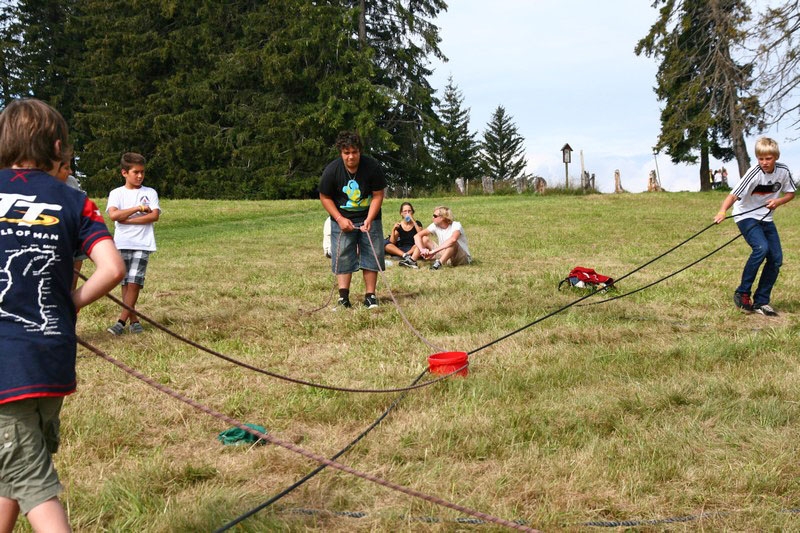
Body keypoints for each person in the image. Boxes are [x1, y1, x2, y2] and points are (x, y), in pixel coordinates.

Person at [0, 98, 125, 533]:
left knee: (33, 482)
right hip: (51, 360)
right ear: (57, 146)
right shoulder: (73, 200)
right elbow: (112, 268)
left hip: (4, 367)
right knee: (16, 467)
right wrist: (71, 302)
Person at [714, 137, 795, 316]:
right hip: (745, 216)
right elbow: (733, 195)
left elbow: (790, 193)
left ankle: (761, 301)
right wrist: (722, 211)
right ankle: (742, 292)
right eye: (761, 158)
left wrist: (778, 201)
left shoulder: (783, 171)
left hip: (766, 218)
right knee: (761, 248)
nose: (764, 163)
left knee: (776, 259)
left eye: (768, 158)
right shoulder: (753, 172)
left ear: (776, 157)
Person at [319, 131, 386, 309]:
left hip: (369, 217)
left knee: (372, 256)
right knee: (342, 256)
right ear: (341, 153)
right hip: (342, 220)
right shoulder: (332, 170)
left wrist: (370, 218)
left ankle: (370, 296)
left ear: (360, 151)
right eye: (346, 152)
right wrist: (339, 219)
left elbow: (378, 195)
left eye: (354, 152)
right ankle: (343, 299)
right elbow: (325, 197)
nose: (351, 156)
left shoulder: (372, 167)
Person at [106, 152, 161, 334]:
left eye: (142, 172)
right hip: (122, 242)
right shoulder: (116, 193)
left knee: (135, 282)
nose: (140, 176)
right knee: (125, 283)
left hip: (142, 243)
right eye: (135, 172)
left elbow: (154, 216)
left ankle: (120, 322)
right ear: (124, 173)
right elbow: (114, 215)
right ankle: (134, 320)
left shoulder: (149, 192)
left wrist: (128, 219)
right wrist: (138, 209)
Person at [55, 149, 88, 292]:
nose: (71, 172)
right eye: (66, 168)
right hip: (58, 238)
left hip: (75, 236)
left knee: (72, 281)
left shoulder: (72, 182)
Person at [414, 205, 472, 270]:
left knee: (452, 243)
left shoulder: (456, 225)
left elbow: (453, 240)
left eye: (435, 216)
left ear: (443, 218)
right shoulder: (435, 225)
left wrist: (433, 251)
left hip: (460, 258)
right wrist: (422, 250)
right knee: (424, 239)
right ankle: (412, 261)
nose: (432, 217)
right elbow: (417, 236)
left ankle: (438, 264)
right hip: (445, 254)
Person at [384, 201, 423, 269]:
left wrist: (413, 221)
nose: (407, 213)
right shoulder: (399, 225)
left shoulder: (417, 224)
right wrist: (393, 230)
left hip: (413, 248)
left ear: (412, 212)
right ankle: (405, 256)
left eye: (409, 211)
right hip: (401, 248)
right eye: (405, 211)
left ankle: (406, 255)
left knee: (418, 245)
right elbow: (392, 242)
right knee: (386, 245)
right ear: (401, 213)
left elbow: (421, 235)